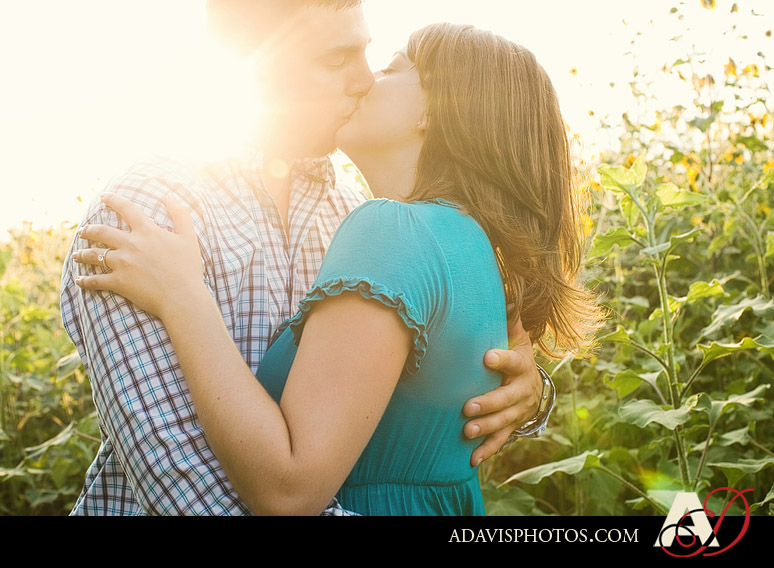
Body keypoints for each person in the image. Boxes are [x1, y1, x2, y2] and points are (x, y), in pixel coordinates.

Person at [71, 22, 600, 515]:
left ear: (436, 111)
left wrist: (185, 298)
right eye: (338, 58)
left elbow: (288, 489)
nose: (366, 79)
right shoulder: (466, 241)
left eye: (387, 66)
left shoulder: (385, 227)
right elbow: (178, 472)